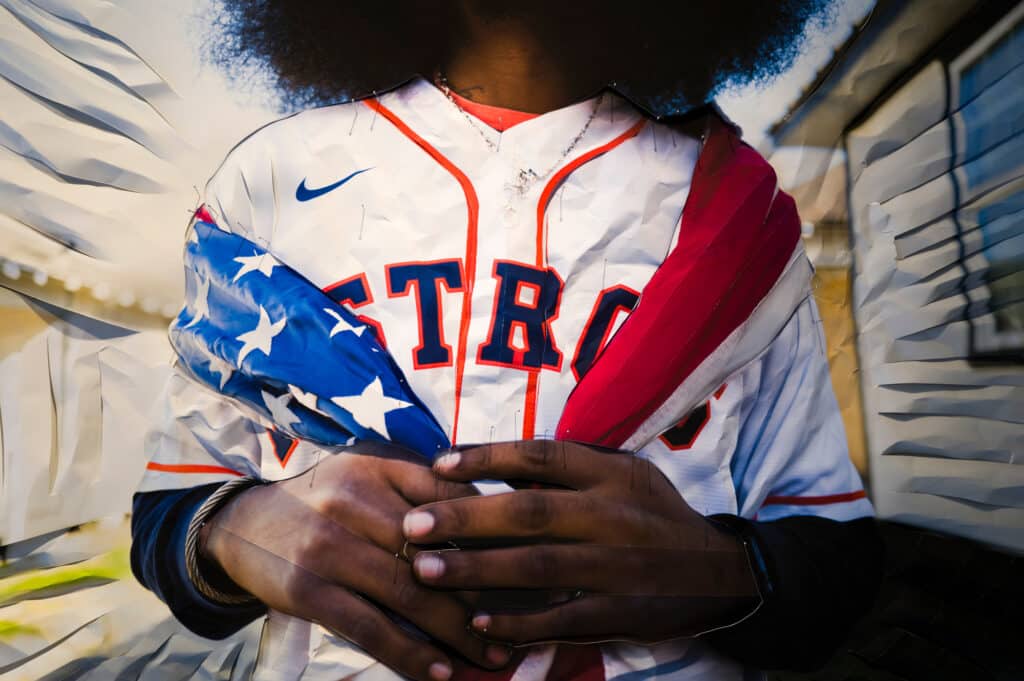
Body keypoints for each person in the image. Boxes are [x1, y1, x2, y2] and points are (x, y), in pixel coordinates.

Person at [131, 2, 883, 680]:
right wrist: (240, 528)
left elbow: (833, 556)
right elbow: (171, 510)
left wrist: (727, 570)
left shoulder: (733, 223)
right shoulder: (271, 179)